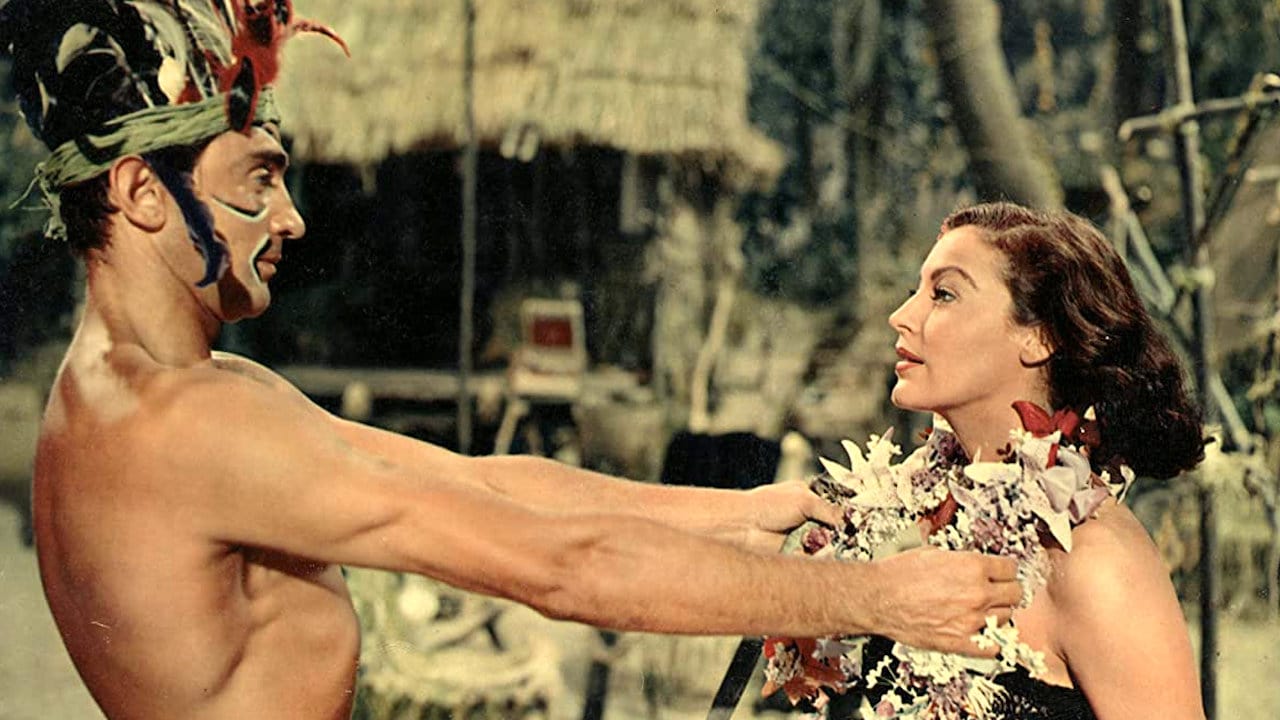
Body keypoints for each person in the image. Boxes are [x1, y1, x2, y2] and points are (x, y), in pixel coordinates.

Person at [0, 2, 1022, 719]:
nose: (292, 217)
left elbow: (480, 481)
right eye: (257, 182)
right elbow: (563, 569)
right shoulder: (186, 425)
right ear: (142, 195)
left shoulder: (161, 390)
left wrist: (734, 512)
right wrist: (874, 598)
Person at [863, 201, 1205, 719]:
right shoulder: (935, 510)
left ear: (1039, 336)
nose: (902, 316)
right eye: (918, 290)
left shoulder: (1095, 560)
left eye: (944, 294)